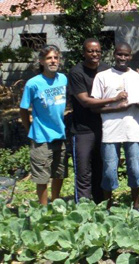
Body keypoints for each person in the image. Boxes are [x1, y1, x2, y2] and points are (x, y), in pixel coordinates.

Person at [91, 42, 139, 211]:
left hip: (134, 129)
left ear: (131, 56)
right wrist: (116, 106)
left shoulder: (137, 77)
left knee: (135, 169)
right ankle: (108, 207)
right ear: (114, 55)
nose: (123, 58)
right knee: (108, 170)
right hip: (111, 130)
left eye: (126, 55)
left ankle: (136, 205)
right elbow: (95, 107)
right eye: (119, 54)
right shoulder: (102, 76)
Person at [69, 38, 122, 204]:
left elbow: (123, 79)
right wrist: (114, 99)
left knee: (101, 168)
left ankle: (101, 206)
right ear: (84, 53)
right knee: (84, 171)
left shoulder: (106, 70)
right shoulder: (76, 72)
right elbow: (85, 101)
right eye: (91, 51)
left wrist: (138, 76)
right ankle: (82, 208)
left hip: (104, 127)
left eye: (97, 51)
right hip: (82, 129)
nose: (95, 54)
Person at [19, 45, 68, 205]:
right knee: (42, 176)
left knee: (59, 173)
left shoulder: (63, 79)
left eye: (55, 57)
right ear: (41, 61)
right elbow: (23, 109)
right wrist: (30, 129)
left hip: (60, 134)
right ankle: (43, 209)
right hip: (41, 137)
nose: (53, 61)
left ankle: (55, 202)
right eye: (49, 58)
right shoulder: (33, 84)